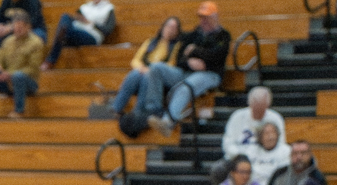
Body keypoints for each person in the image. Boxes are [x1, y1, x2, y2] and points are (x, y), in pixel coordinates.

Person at [149, 1, 228, 133]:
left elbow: (216, 57)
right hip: (187, 71)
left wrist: (194, 50)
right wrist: (189, 62)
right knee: (156, 68)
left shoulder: (223, 36)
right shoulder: (194, 34)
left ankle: (168, 123)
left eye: (206, 17)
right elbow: (179, 59)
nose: (203, 21)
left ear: (215, 18)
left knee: (185, 88)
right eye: (201, 17)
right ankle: (154, 111)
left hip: (210, 74)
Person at [108, 16, 181, 124]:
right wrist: (142, 68)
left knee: (147, 77)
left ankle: (138, 112)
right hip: (143, 70)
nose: (169, 29)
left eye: (173, 28)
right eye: (168, 26)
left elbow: (172, 64)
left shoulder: (176, 46)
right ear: (162, 27)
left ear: (177, 32)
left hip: (159, 75)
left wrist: (150, 70)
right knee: (134, 74)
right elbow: (135, 60)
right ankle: (116, 108)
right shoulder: (150, 42)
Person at [0, 9, 43, 116]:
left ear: (28, 27)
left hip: (27, 82)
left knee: (18, 76)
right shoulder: (7, 42)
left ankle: (19, 111)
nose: (17, 31)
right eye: (15, 28)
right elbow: (0, 62)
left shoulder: (36, 43)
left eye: (20, 28)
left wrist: (10, 74)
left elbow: (33, 68)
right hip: (8, 80)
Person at [45, 0, 116, 68]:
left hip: (92, 34)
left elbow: (108, 29)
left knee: (65, 32)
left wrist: (90, 23)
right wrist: (77, 18)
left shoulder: (108, 8)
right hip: (77, 27)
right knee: (65, 17)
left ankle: (52, 58)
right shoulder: (85, 7)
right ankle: (63, 37)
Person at [221, 85, 283, 160]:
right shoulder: (237, 117)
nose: (258, 112)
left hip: (266, 159)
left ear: (267, 106)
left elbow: (280, 145)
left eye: (261, 109)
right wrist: (240, 157)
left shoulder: (275, 118)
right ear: (249, 103)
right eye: (255, 108)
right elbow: (228, 143)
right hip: (238, 158)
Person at [0, 0, 39, 67]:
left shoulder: (33, 2)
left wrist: (11, 28)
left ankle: (26, 66)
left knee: (38, 36)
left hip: (32, 29)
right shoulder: (5, 2)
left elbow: (33, 22)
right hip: (8, 31)